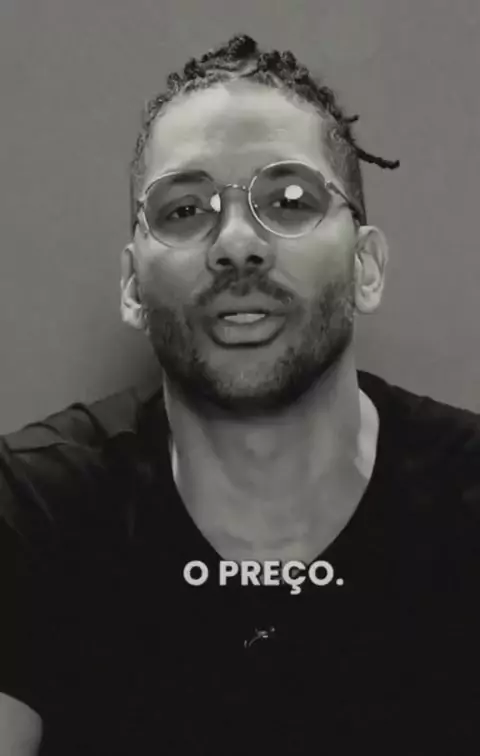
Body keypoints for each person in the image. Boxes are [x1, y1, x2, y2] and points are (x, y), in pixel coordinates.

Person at [1, 32, 479, 756]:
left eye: (288, 200)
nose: (236, 245)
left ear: (366, 268)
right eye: (185, 210)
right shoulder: (31, 512)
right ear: (132, 287)